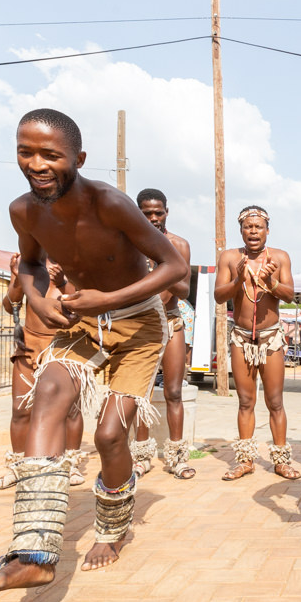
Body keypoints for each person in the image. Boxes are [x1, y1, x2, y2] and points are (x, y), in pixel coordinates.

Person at [0, 108, 188, 594]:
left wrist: (108, 299)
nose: (36, 164)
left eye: (51, 155)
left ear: (79, 158)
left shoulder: (110, 203)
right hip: (82, 324)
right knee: (47, 394)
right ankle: (34, 553)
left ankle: (112, 527)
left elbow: (174, 269)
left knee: (109, 437)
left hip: (141, 326)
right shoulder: (23, 210)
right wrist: (41, 301)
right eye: (26, 152)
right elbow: (27, 263)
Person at [216, 206, 301, 481]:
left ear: (267, 230)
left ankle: (280, 461)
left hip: (271, 338)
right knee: (245, 401)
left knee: (275, 401)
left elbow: (289, 295)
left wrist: (271, 282)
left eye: (258, 226)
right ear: (241, 230)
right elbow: (219, 295)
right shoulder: (230, 258)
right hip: (241, 338)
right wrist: (239, 279)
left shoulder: (279, 257)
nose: (253, 231)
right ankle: (245, 461)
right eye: (248, 227)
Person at [0, 254, 85, 491]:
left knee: (70, 411)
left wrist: (63, 282)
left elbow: (82, 305)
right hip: (29, 344)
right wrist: (16, 277)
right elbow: (10, 306)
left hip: (65, 345)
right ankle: (18, 466)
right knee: (20, 409)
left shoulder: (77, 259)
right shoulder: (30, 262)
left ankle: (70, 463)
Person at [128, 188, 194, 480]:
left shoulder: (178, 245)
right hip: (140, 323)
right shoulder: (128, 242)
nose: (153, 218)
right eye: (146, 213)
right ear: (138, 213)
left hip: (171, 321)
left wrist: (161, 269)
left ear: (167, 212)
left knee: (174, 392)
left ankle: (177, 457)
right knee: (140, 394)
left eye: (158, 213)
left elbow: (183, 289)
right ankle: (141, 456)